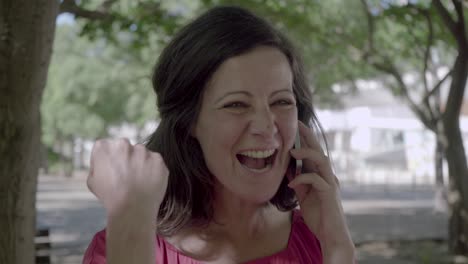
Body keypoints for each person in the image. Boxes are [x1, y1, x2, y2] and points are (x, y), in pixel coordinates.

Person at [83, 5, 355, 264]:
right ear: (189, 120)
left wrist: (338, 245)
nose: (266, 126)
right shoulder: (119, 247)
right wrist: (132, 215)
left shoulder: (318, 240)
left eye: (281, 101)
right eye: (236, 104)